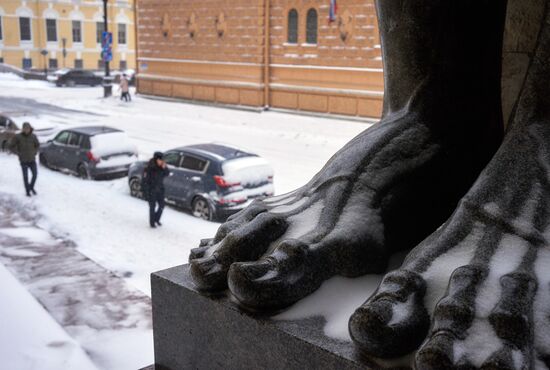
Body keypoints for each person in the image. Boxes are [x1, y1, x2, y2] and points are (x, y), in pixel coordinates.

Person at [9, 122, 40, 197]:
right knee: (25, 177)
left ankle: (31, 187)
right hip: (23, 161)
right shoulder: (18, 137)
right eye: (25, 129)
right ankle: (27, 191)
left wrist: (34, 152)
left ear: (30, 129)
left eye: (28, 129)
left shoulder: (33, 136)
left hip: (32, 159)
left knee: (35, 175)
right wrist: (18, 153)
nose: (26, 130)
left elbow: (38, 145)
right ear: (22, 129)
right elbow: (11, 146)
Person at [143, 151, 169, 228]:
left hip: (160, 189)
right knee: (152, 207)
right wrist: (146, 193)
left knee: (162, 206)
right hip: (151, 190)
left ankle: (156, 219)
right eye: (161, 160)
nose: (162, 162)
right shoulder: (149, 168)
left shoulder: (162, 167)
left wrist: (164, 168)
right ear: (156, 160)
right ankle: (152, 223)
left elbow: (167, 174)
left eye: (163, 160)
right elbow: (145, 181)